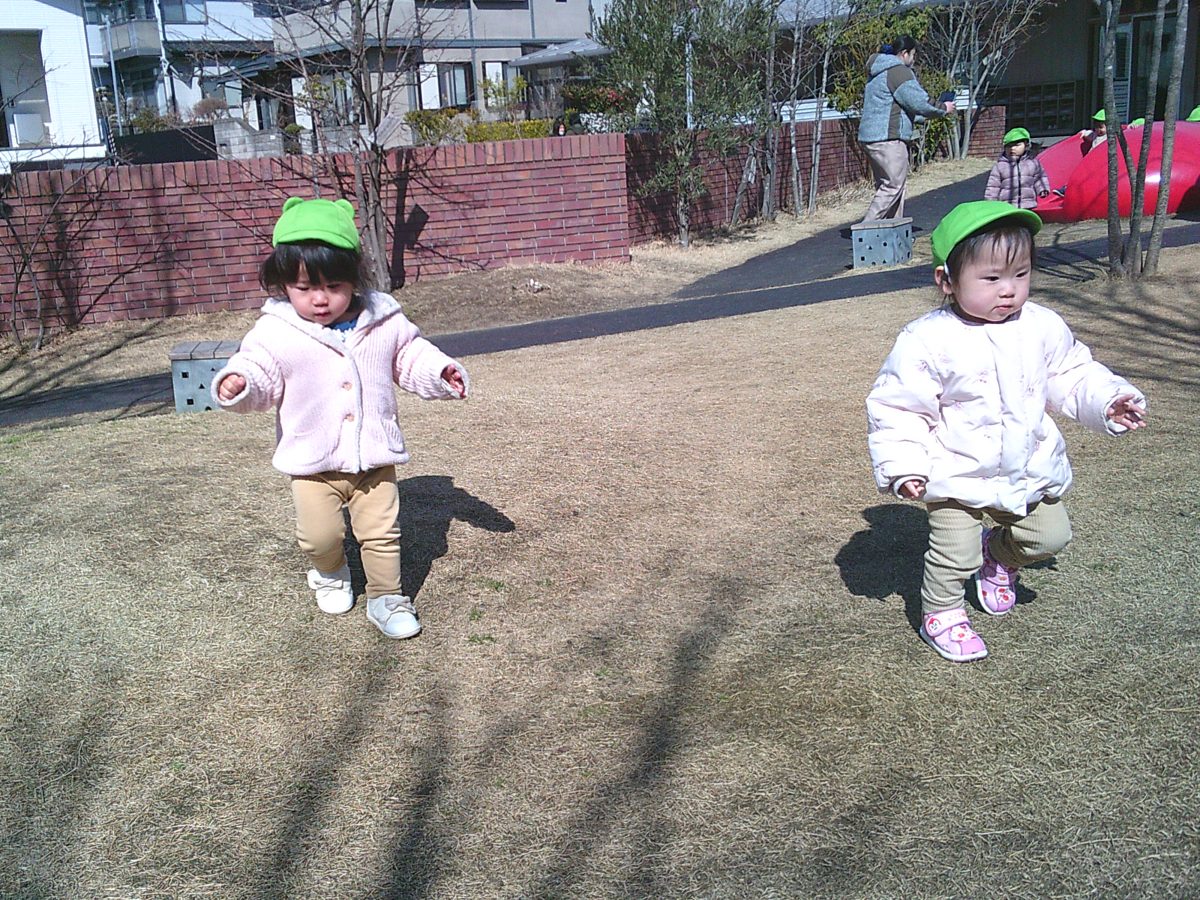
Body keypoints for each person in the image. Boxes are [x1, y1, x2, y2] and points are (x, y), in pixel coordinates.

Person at [866, 201, 1148, 663]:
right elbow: (899, 407)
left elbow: (1072, 374)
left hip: (1025, 466)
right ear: (947, 281)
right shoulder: (926, 340)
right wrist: (904, 466)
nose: (1009, 290)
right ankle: (942, 612)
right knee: (955, 552)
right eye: (992, 278)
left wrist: (1108, 400)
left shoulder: (1040, 325)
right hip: (956, 472)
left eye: (1021, 274)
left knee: (1049, 537)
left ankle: (999, 557)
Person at [212, 197, 470, 640]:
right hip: (312, 462)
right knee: (320, 537)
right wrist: (241, 383)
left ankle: (386, 599)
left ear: (354, 277)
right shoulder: (275, 330)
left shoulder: (382, 319)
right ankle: (330, 572)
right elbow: (258, 369)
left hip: (374, 456)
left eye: (333, 286)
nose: (319, 299)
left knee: (381, 534)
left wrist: (439, 372)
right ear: (283, 285)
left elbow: (410, 355)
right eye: (303, 288)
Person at [857, 35, 955, 222]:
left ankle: (892, 231)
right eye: (913, 55)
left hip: (872, 138)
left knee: (892, 187)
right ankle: (865, 231)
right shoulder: (898, 71)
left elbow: (899, 109)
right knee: (893, 186)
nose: (914, 59)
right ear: (904, 53)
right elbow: (919, 102)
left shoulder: (878, 72)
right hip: (889, 139)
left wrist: (924, 116)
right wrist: (943, 107)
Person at [984, 127, 1050, 209]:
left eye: (1017, 145)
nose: (1012, 148)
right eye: (1009, 146)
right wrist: (990, 202)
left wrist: (1043, 189)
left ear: (1026, 145)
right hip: (1007, 206)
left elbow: (1039, 178)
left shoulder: (1033, 163)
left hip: (1028, 204)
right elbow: (993, 186)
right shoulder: (1000, 166)